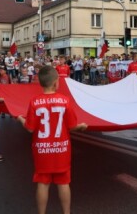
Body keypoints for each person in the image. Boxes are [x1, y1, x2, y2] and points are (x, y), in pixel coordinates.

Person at [17, 66, 87, 214]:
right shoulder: (65, 101)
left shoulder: (34, 102)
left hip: (42, 150)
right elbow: (72, 126)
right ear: (56, 82)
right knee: (63, 183)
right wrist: (80, 126)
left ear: (40, 83)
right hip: (62, 149)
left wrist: (20, 119)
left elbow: (30, 128)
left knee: (42, 183)